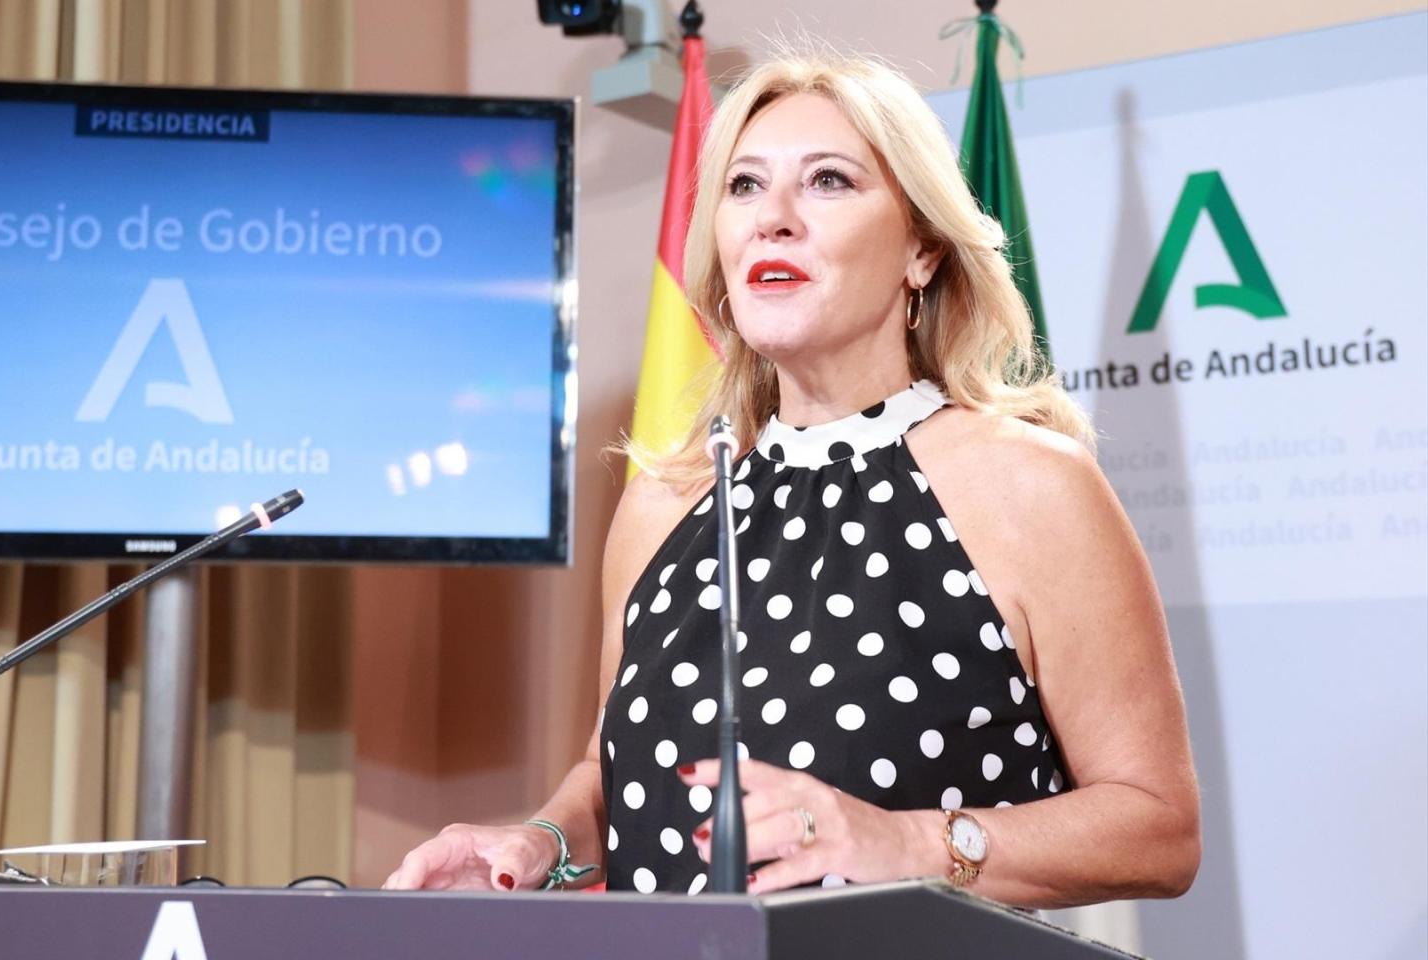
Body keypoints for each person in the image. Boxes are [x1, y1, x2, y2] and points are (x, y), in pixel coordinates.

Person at [384, 49, 1200, 907]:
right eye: (744, 186)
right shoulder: (664, 503)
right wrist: (541, 841)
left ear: (921, 249)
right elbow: (614, 772)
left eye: (828, 182)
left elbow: (1157, 829)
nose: (771, 218)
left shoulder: (1028, 484)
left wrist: (906, 840)